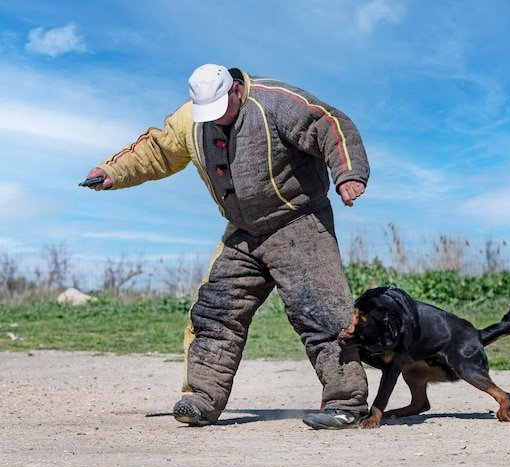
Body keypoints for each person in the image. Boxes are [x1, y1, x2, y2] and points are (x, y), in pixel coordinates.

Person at [83, 64, 370, 430]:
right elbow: (157, 150)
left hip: (297, 222)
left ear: (236, 89)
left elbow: (331, 125)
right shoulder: (191, 119)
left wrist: (348, 174)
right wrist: (112, 172)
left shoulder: (278, 103)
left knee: (321, 313)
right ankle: (202, 399)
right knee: (216, 312)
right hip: (244, 232)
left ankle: (347, 403)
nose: (214, 118)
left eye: (221, 108)